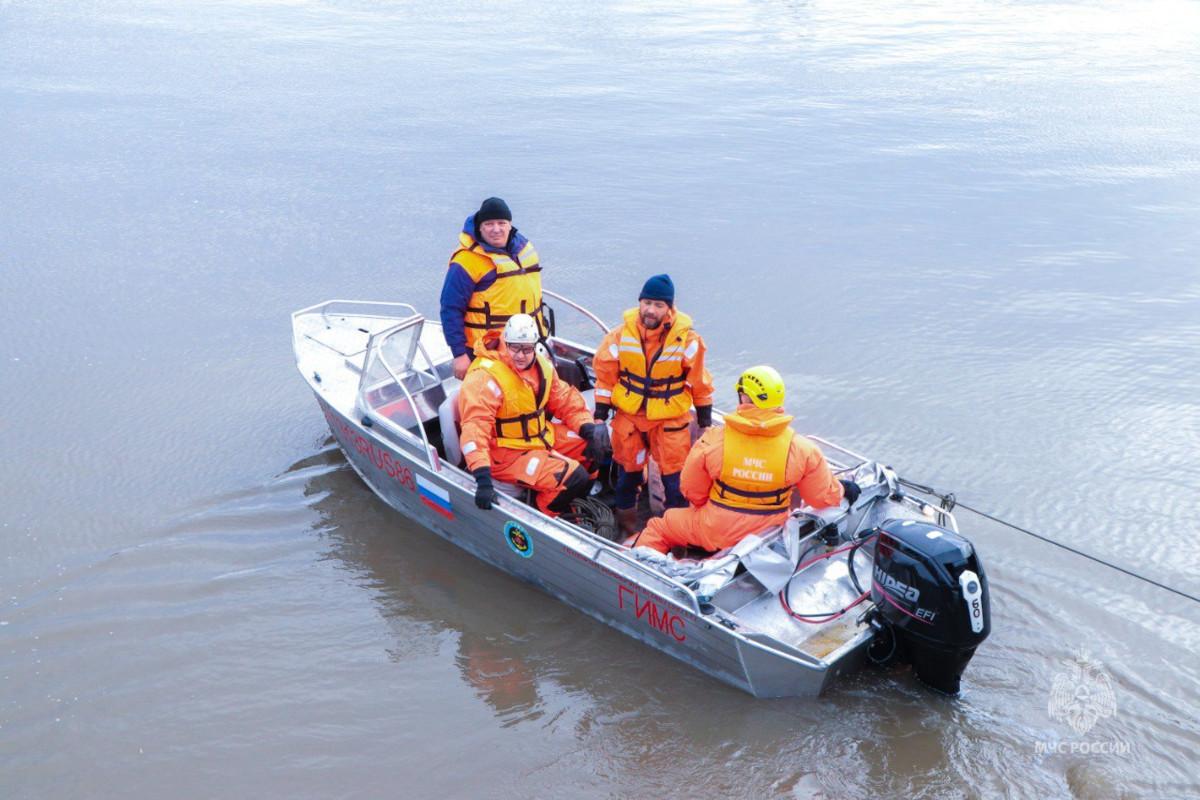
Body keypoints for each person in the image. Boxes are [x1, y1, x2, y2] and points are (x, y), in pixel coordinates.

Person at [635, 365, 860, 554]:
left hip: (714, 529)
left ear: (743, 396)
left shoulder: (715, 440)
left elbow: (690, 489)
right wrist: (842, 489)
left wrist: (713, 509)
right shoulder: (802, 449)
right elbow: (822, 498)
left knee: (660, 527)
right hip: (770, 533)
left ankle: (640, 575)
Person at [592, 274, 715, 537]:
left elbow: (700, 383)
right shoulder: (619, 336)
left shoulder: (688, 341)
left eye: (658, 305)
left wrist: (705, 424)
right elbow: (604, 378)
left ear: (669, 309)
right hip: (630, 419)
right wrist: (599, 418)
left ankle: (676, 542)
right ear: (639, 303)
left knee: (675, 485)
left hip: (669, 422)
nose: (650, 310)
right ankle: (628, 532)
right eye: (647, 303)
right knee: (627, 480)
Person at [459, 314, 611, 516]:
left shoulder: (542, 367)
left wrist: (587, 428)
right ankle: (545, 512)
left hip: (539, 436)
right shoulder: (484, 377)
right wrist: (482, 478)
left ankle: (579, 498)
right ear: (505, 342)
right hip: (504, 454)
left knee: (595, 446)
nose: (521, 355)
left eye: (527, 349)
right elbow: (474, 431)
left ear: (534, 346)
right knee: (573, 477)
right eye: (514, 347)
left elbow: (565, 400)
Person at [440, 197, 546, 380]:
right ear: (479, 227)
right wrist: (459, 355)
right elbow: (450, 309)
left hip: (526, 344)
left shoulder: (523, 249)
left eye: (501, 223)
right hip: (488, 351)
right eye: (489, 224)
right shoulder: (465, 262)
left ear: (510, 225)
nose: (496, 229)